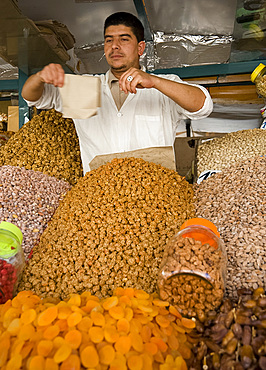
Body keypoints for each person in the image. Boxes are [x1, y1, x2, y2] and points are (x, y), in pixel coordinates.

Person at [22, 12, 213, 174]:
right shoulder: (85, 87)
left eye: (124, 39)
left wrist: (154, 81)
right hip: (99, 197)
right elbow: (32, 97)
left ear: (140, 48)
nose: (114, 46)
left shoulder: (163, 86)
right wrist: (39, 77)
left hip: (155, 198)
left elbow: (203, 106)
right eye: (108, 40)